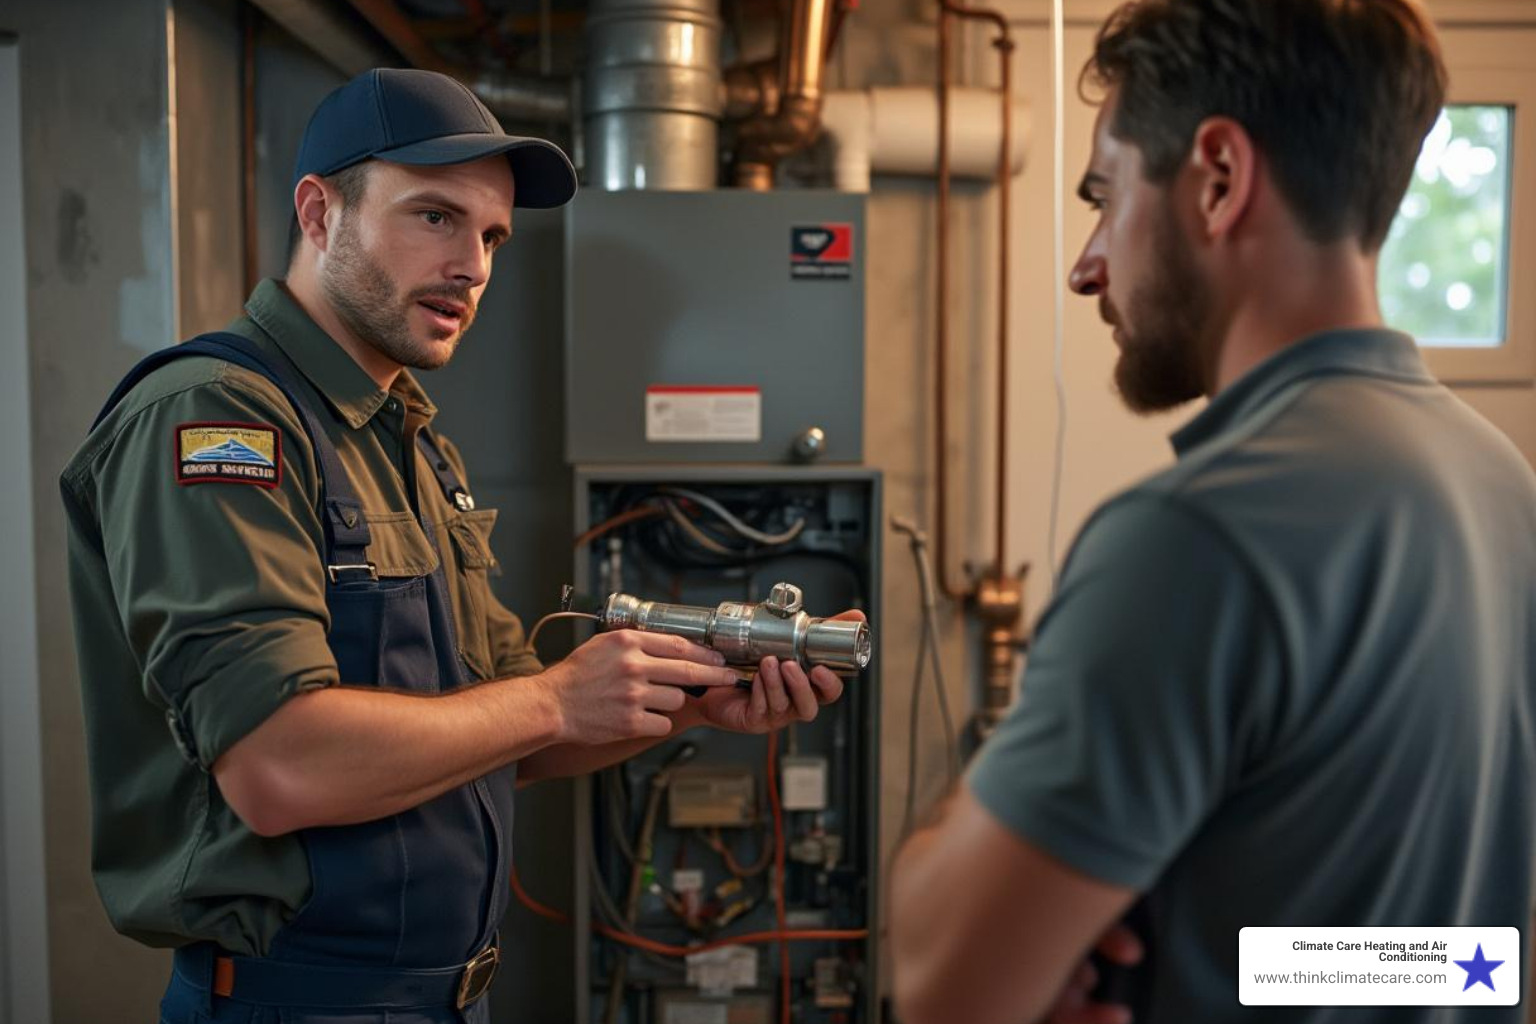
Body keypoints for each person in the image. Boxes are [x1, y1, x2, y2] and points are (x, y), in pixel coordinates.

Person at [62, 68, 854, 1024]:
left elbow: (506, 735)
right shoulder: (222, 420)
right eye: (435, 217)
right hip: (297, 1005)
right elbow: (278, 766)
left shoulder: (409, 442)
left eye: (491, 237)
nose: (473, 266)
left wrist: (690, 702)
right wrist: (556, 697)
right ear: (319, 213)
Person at [889, 1, 1535, 1022]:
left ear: (1220, 179)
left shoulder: (1199, 535)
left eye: (1106, 198)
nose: (1087, 265)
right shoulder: (1498, 482)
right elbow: (1468, 959)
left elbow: (940, 984)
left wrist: (950, 847)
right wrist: (1228, 967)